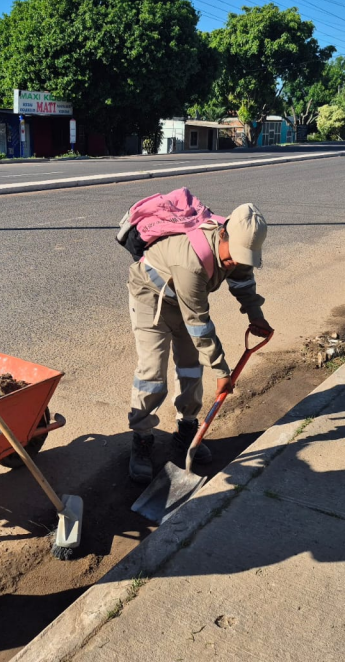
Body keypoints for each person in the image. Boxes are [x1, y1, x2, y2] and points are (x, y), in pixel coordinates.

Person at [126, 203, 274, 484]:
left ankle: (187, 429)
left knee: (191, 367)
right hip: (151, 298)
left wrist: (256, 315)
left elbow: (242, 283)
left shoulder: (237, 251)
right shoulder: (191, 261)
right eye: (233, 257)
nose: (235, 263)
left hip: (185, 301)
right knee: (152, 372)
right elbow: (198, 324)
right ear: (223, 234)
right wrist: (222, 371)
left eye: (243, 258)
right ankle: (142, 437)